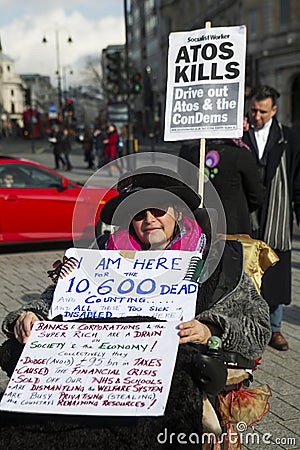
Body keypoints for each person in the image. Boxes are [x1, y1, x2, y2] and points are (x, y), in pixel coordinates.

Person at [0, 166, 271, 448]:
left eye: (157, 211)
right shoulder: (100, 253)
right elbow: (53, 298)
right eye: (139, 214)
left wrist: (210, 328)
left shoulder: (217, 258)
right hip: (95, 374)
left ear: (178, 212)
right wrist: (31, 315)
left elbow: (258, 326)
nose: (149, 220)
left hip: (169, 383)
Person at [243, 85, 300, 351]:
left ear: (274, 110)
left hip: (277, 215)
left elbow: (298, 179)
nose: (256, 116)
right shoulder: (240, 135)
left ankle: (275, 329)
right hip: (248, 213)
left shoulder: (289, 138)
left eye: (262, 111)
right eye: (253, 109)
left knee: (275, 271)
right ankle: (248, 326)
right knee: (248, 270)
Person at [178, 138, 265, 234]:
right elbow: (256, 196)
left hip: (200, 224)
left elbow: (183, 187)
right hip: (233, 227)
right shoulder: (240, 154)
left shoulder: (189, 151)